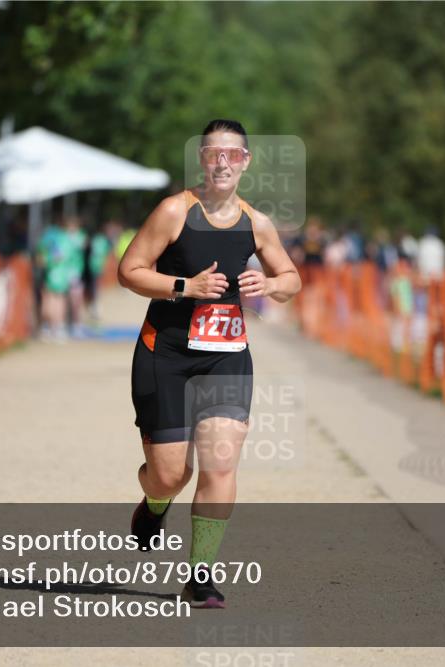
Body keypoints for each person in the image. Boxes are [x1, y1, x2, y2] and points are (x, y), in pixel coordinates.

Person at [117, 119, 301, 608]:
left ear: (245, 162)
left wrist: (272, 287)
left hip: (226, 356)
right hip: (166, 353)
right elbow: (129, 271)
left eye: (233, 155)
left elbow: (291, 278)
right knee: (170, 474)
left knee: (220, 464)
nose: (223, 163)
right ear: (201, 159)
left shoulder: (256, 222)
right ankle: (155, 503)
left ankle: (200, 574)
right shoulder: (175, 212)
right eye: (213, 154)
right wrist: (185, 287)